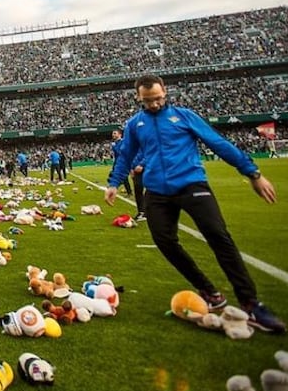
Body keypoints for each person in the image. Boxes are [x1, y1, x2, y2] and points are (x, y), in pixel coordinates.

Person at [105, 73, 285, 333]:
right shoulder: (135, 124)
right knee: (165, 241)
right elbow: (126, 155)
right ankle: (210, 292)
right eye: (148, 101)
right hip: (156, 191)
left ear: (164, 92)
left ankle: (251, 304)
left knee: (219, 237)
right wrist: (114, 182)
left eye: (157, 99)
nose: (154, 104)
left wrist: (252, 173)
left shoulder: (185, 116)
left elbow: (218, 143)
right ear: (138, 98)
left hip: (192, 184)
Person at [109, 130, 133, 196]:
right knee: (112, 175)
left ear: (120, 135)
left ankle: (129, 192)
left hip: (122, 162)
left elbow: (121, 152)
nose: (113, 135)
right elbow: (115, 155)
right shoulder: (115, 143)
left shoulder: (122, 142)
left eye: (114, 133)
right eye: (112, 133)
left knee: (124, 178)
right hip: (116, 162)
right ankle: (113, 187)